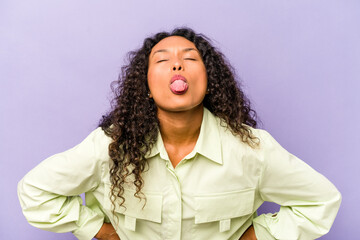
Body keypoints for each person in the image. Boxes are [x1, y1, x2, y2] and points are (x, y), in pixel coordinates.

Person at [18, 28, 341, 240]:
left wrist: (260, 235)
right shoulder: (111, 146)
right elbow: (35, 192)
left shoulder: (252, 148)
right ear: (144, 86)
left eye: (189, 59)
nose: (177, 66)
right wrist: (98, 230)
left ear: (209, 80)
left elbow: (320, 201)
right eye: (162, 60)